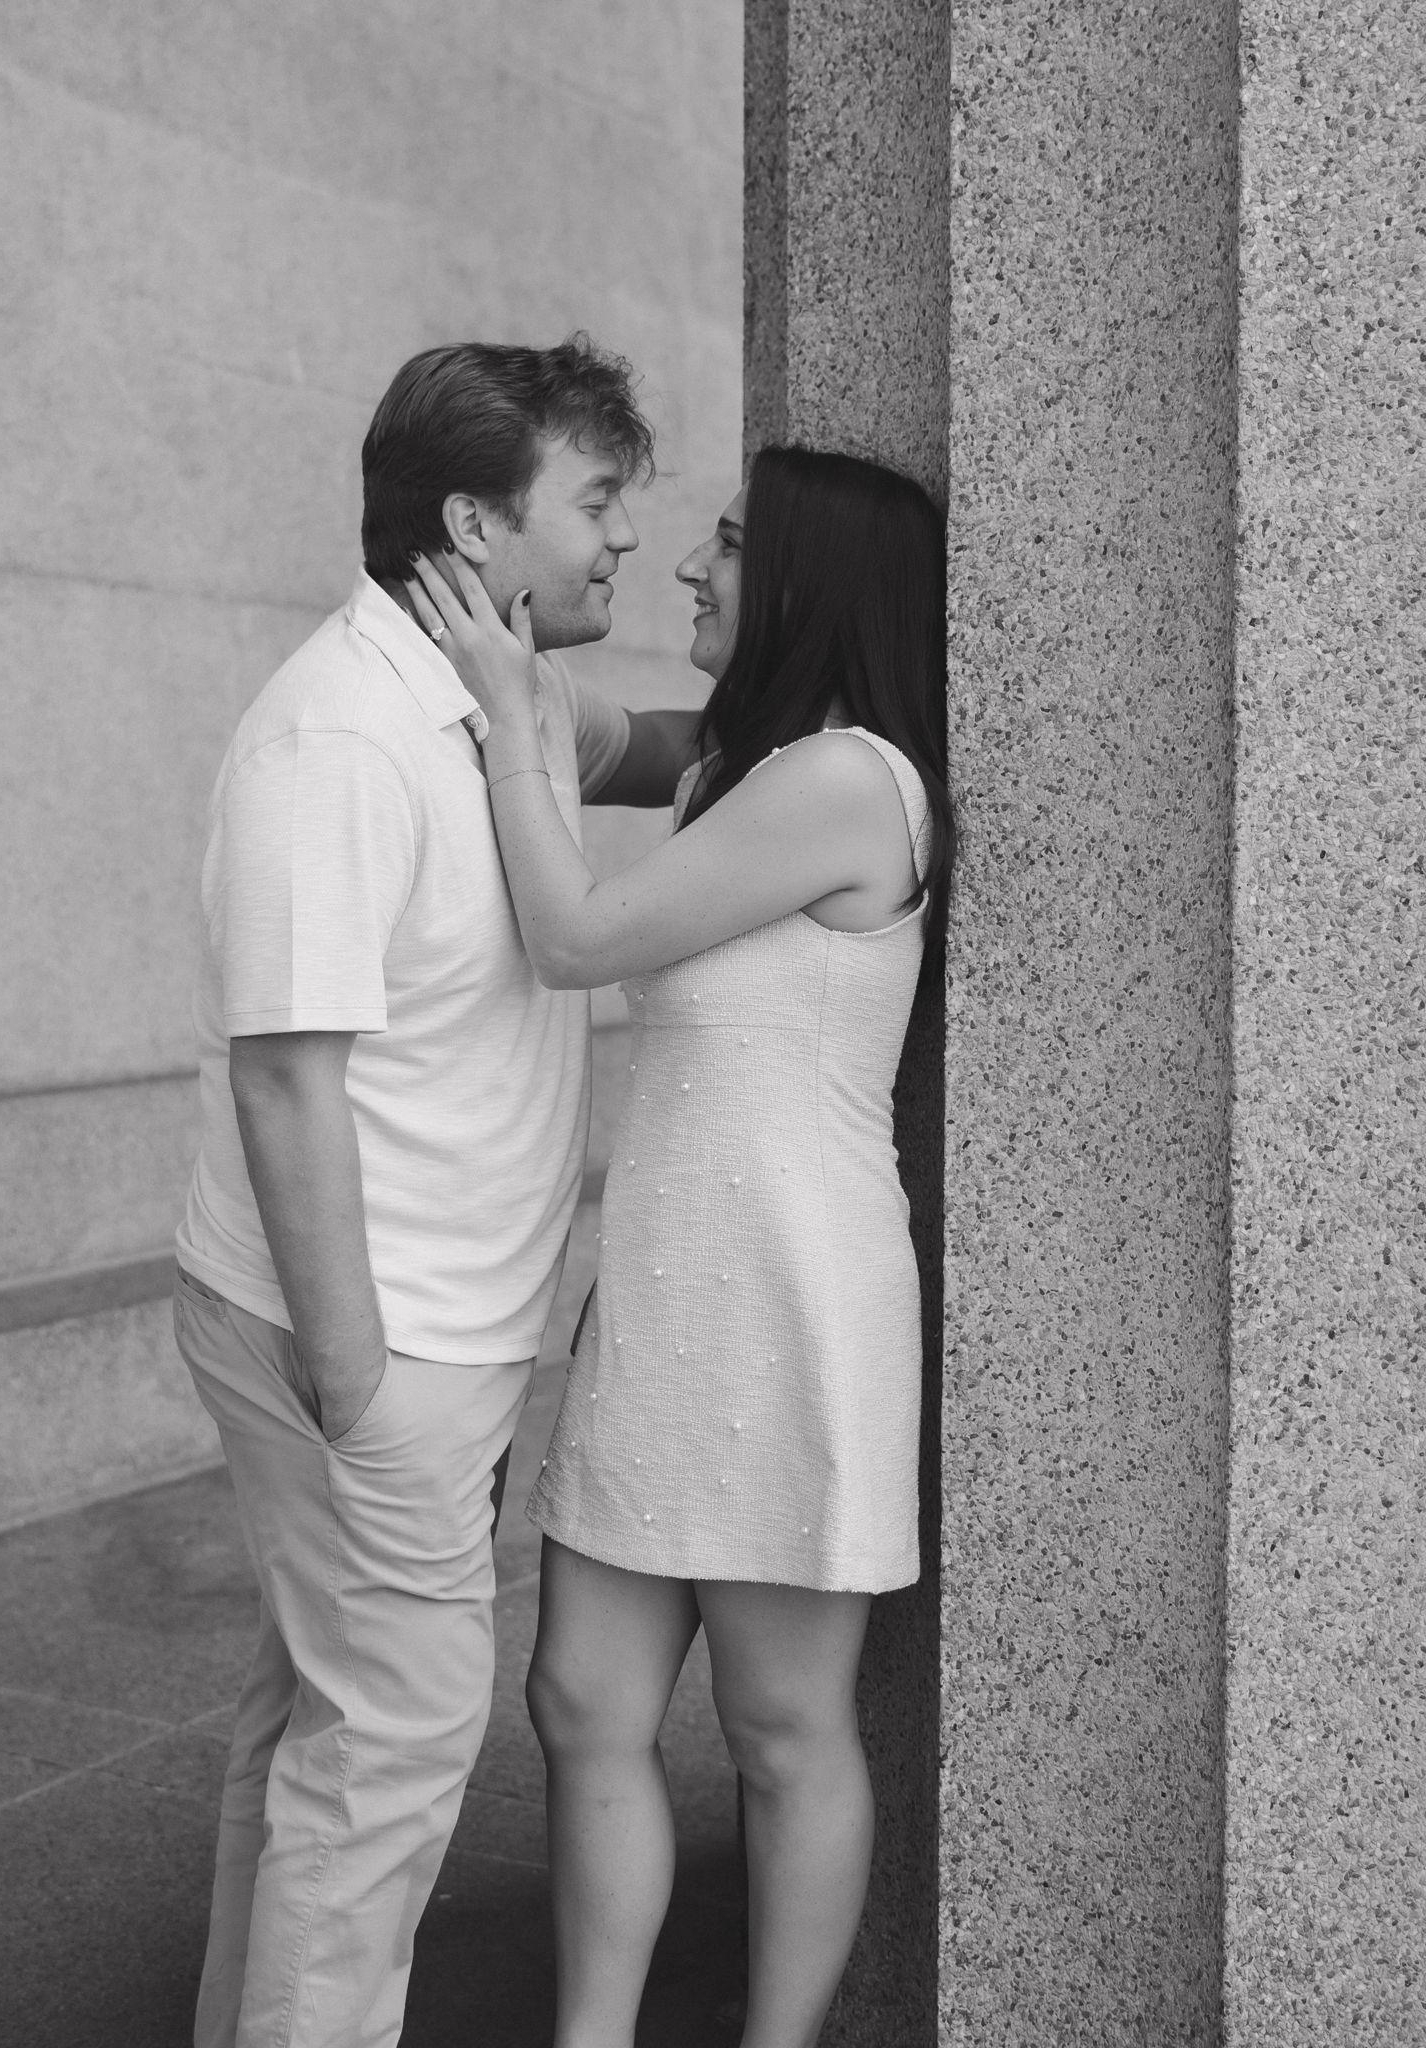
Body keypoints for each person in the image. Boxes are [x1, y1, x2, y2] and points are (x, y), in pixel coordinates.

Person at [171, 334, 702, 2048]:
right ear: (477, 526)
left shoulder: (498, 692)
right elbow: (284, 1075)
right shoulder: (339, 735)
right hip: (371, 1341)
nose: (626, 538)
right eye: (597, 503)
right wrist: (361, 1383)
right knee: (389, 1755)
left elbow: (675, 749)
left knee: (322, 1733)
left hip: (437, 1341)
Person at [407, 443, 953, 2048]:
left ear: (811, 581)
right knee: (581, 1696)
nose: (689, 570)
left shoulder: (847, 780)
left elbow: (576, 935)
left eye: (725, 543)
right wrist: (499, 631)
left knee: (781, 1727)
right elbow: (597, 734)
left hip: (791, 1297)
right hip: (667, 1288)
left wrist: (512, 721)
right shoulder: (736, 760)